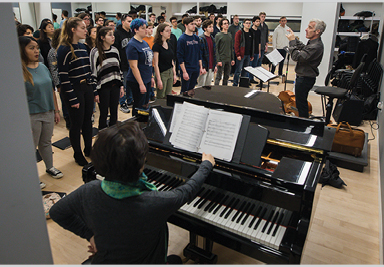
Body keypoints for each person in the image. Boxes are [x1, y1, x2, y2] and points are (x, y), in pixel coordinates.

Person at [49, 121, 215, 264]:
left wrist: (90, 235)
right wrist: (206, 165)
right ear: (141, 163)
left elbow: (56, 212)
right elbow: (187, 191)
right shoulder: (154, 202)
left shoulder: (88, 190)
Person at [18, 36, 63, 188]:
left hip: (48, 111)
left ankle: (50, 167)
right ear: (22, 50)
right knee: (31, 146)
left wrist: (56, 110)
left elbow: (51, 90)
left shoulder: (43, 67)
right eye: (31, 48)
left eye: (37, 47)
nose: (36, 51)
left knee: (46, 142)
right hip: (31, 115)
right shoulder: (20, 71)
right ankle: (31, 176)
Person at [57, 17, 99, 166]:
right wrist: (72, 98)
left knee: (88, 120)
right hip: (74, 89)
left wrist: (94, 91)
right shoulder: (64, 49)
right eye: (82, 27)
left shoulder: (83, 47)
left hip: (86, 87)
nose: (86, 30)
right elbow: (64, 77)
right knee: (77, 123)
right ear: (73, 29)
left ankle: (89, 148)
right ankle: (77, 153)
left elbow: (88, 72)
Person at [286, 18, 326, 118]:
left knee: (301, 104)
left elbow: (297, 57)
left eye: (310, 27)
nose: (306, 29)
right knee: (301, 102)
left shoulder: (316, 46)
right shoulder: (313, 43)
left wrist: (292, 43)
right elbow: (304, 49)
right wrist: (294, 39)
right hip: (304, 77)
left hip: (305, 78)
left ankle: (303, 124)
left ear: (317, 31)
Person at [90, 26, 124, 130]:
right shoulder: (95, 52)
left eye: (113, 35)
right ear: (102, 37)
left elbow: (119, 69)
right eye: (110, 35)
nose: (113, 37)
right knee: (104, 113)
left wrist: (121, 86)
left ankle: (113, 135)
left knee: (114, 112)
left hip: (115, 86)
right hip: (103, 87)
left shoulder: (115, 50)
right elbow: (93, 73)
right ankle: (102, 136)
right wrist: (95, 92)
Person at [125, 18, 154, 115]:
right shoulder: (132, 45)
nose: (146, 30)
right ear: (136, 30)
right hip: (137, 80)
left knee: (146, 104)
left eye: (146, 28)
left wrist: (151, 77)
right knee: (139, 106)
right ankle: (135, 126)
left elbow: (149, 62)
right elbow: (133, 67)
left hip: (147, 78)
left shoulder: (144, 42)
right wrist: (141, 83)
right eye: (143, 28)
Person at [47, 28, 71, 130]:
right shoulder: (53, 52)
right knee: (65, 103)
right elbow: (54, 70)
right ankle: (68, 121)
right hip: (62, 82)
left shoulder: (69, 48)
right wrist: (58, 85)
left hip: (71, 79)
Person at [177, 17, 204, 97]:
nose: (194, 26)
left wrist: (201, 67)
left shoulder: (196, 38)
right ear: (185, 25)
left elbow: (199, 53)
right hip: (187, 68)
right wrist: (184, 72)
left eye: (194, 24)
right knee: (185, 90)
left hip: (195, 67)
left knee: (192, 89)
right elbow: (180, 57)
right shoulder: (182, 39)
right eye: (191, 24)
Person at [114, 14, 134, 113]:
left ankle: (130, 100)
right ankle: (122, 102)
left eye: (131, 21)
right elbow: (116, 50)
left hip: (131, 63)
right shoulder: (117, 33)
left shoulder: (131, 33)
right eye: (129, 21)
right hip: (122, 63)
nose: (131, 23)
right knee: (123, 84)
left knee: (130, 83)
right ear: (123, 22)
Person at [153, 23, 177, 99]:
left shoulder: (169, 44)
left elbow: (172, 60)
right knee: (161, 96)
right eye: (167, 31)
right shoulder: (156, 46)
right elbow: (156, 64)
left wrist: (174, 73)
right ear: (161, 33)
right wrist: (159, 79)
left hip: (170, 71)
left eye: (170, 31)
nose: (169, 33)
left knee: (168, 96)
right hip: (162, 73)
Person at [233, 18, 254, 87]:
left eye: (249, 23)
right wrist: (238, 54)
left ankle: (242, 85)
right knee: (238, 70)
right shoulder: (239, 33)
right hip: (241, 55)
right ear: (243, 24)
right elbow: (236, 44)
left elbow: (252, 45)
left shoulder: (251, 33)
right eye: (247, 23)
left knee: (245, 70)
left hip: (248, 55)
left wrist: (252, 55)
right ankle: (235, 84)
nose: (248, 24)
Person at [214, 18, 235, 86]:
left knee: (226, 77)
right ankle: (216, 90)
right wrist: (218, 60)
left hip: (228, 59)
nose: (226, 25)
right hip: (221, 59)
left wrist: (232, 58)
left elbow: (231, 48)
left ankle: (224, 90)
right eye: (225, 24)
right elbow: (216, 49)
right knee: (218, 77)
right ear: (221, 25)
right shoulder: (218, 35)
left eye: (227, 23)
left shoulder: (229, 35)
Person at [198, 19, 216, 87]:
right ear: (205, 28)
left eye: (212, 26)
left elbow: (214, 53)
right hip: (204, 66)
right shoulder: (201, 39)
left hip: (211, 66)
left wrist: (215, 65)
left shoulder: (213, 39)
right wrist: (201, 67)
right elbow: (200, 54)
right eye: (210, 27)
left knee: (208, 86)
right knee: (201, 86)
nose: (212, 28)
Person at [143, 22, 156, 103]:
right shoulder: (143, 40)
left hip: (154, 63)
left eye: (152, 28)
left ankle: (152, 94)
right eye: (149, 28)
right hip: (147, 64)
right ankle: (148, 95)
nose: (151, 30)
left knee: (152, 80)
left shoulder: (153, 39)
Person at [249, 16, 261, 84]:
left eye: (259, 21)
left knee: (254, 66)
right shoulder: (250, 30)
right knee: (250, 66)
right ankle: (248, 79)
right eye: (257, 21)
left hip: (256, 51)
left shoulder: (259, 31)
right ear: (253, 22)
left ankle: (252, 78)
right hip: (251, 51)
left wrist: (259, 52)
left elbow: (259, 42)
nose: (258, 22)